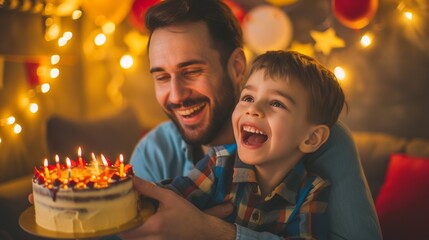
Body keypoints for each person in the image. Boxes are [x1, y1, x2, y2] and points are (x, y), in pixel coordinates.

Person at [121, 0, 382, 239]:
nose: (176, 95)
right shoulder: (155, 151)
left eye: (191, 71)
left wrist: (207, 229)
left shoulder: (327, 145)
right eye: (162, 77)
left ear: (236, 67)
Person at [157, 50, 346, 238]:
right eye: (248, 98)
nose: (253, 109)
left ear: (311, 138)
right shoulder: (219, 162)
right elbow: (167, 200)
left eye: (277, 103)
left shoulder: (312, 190)